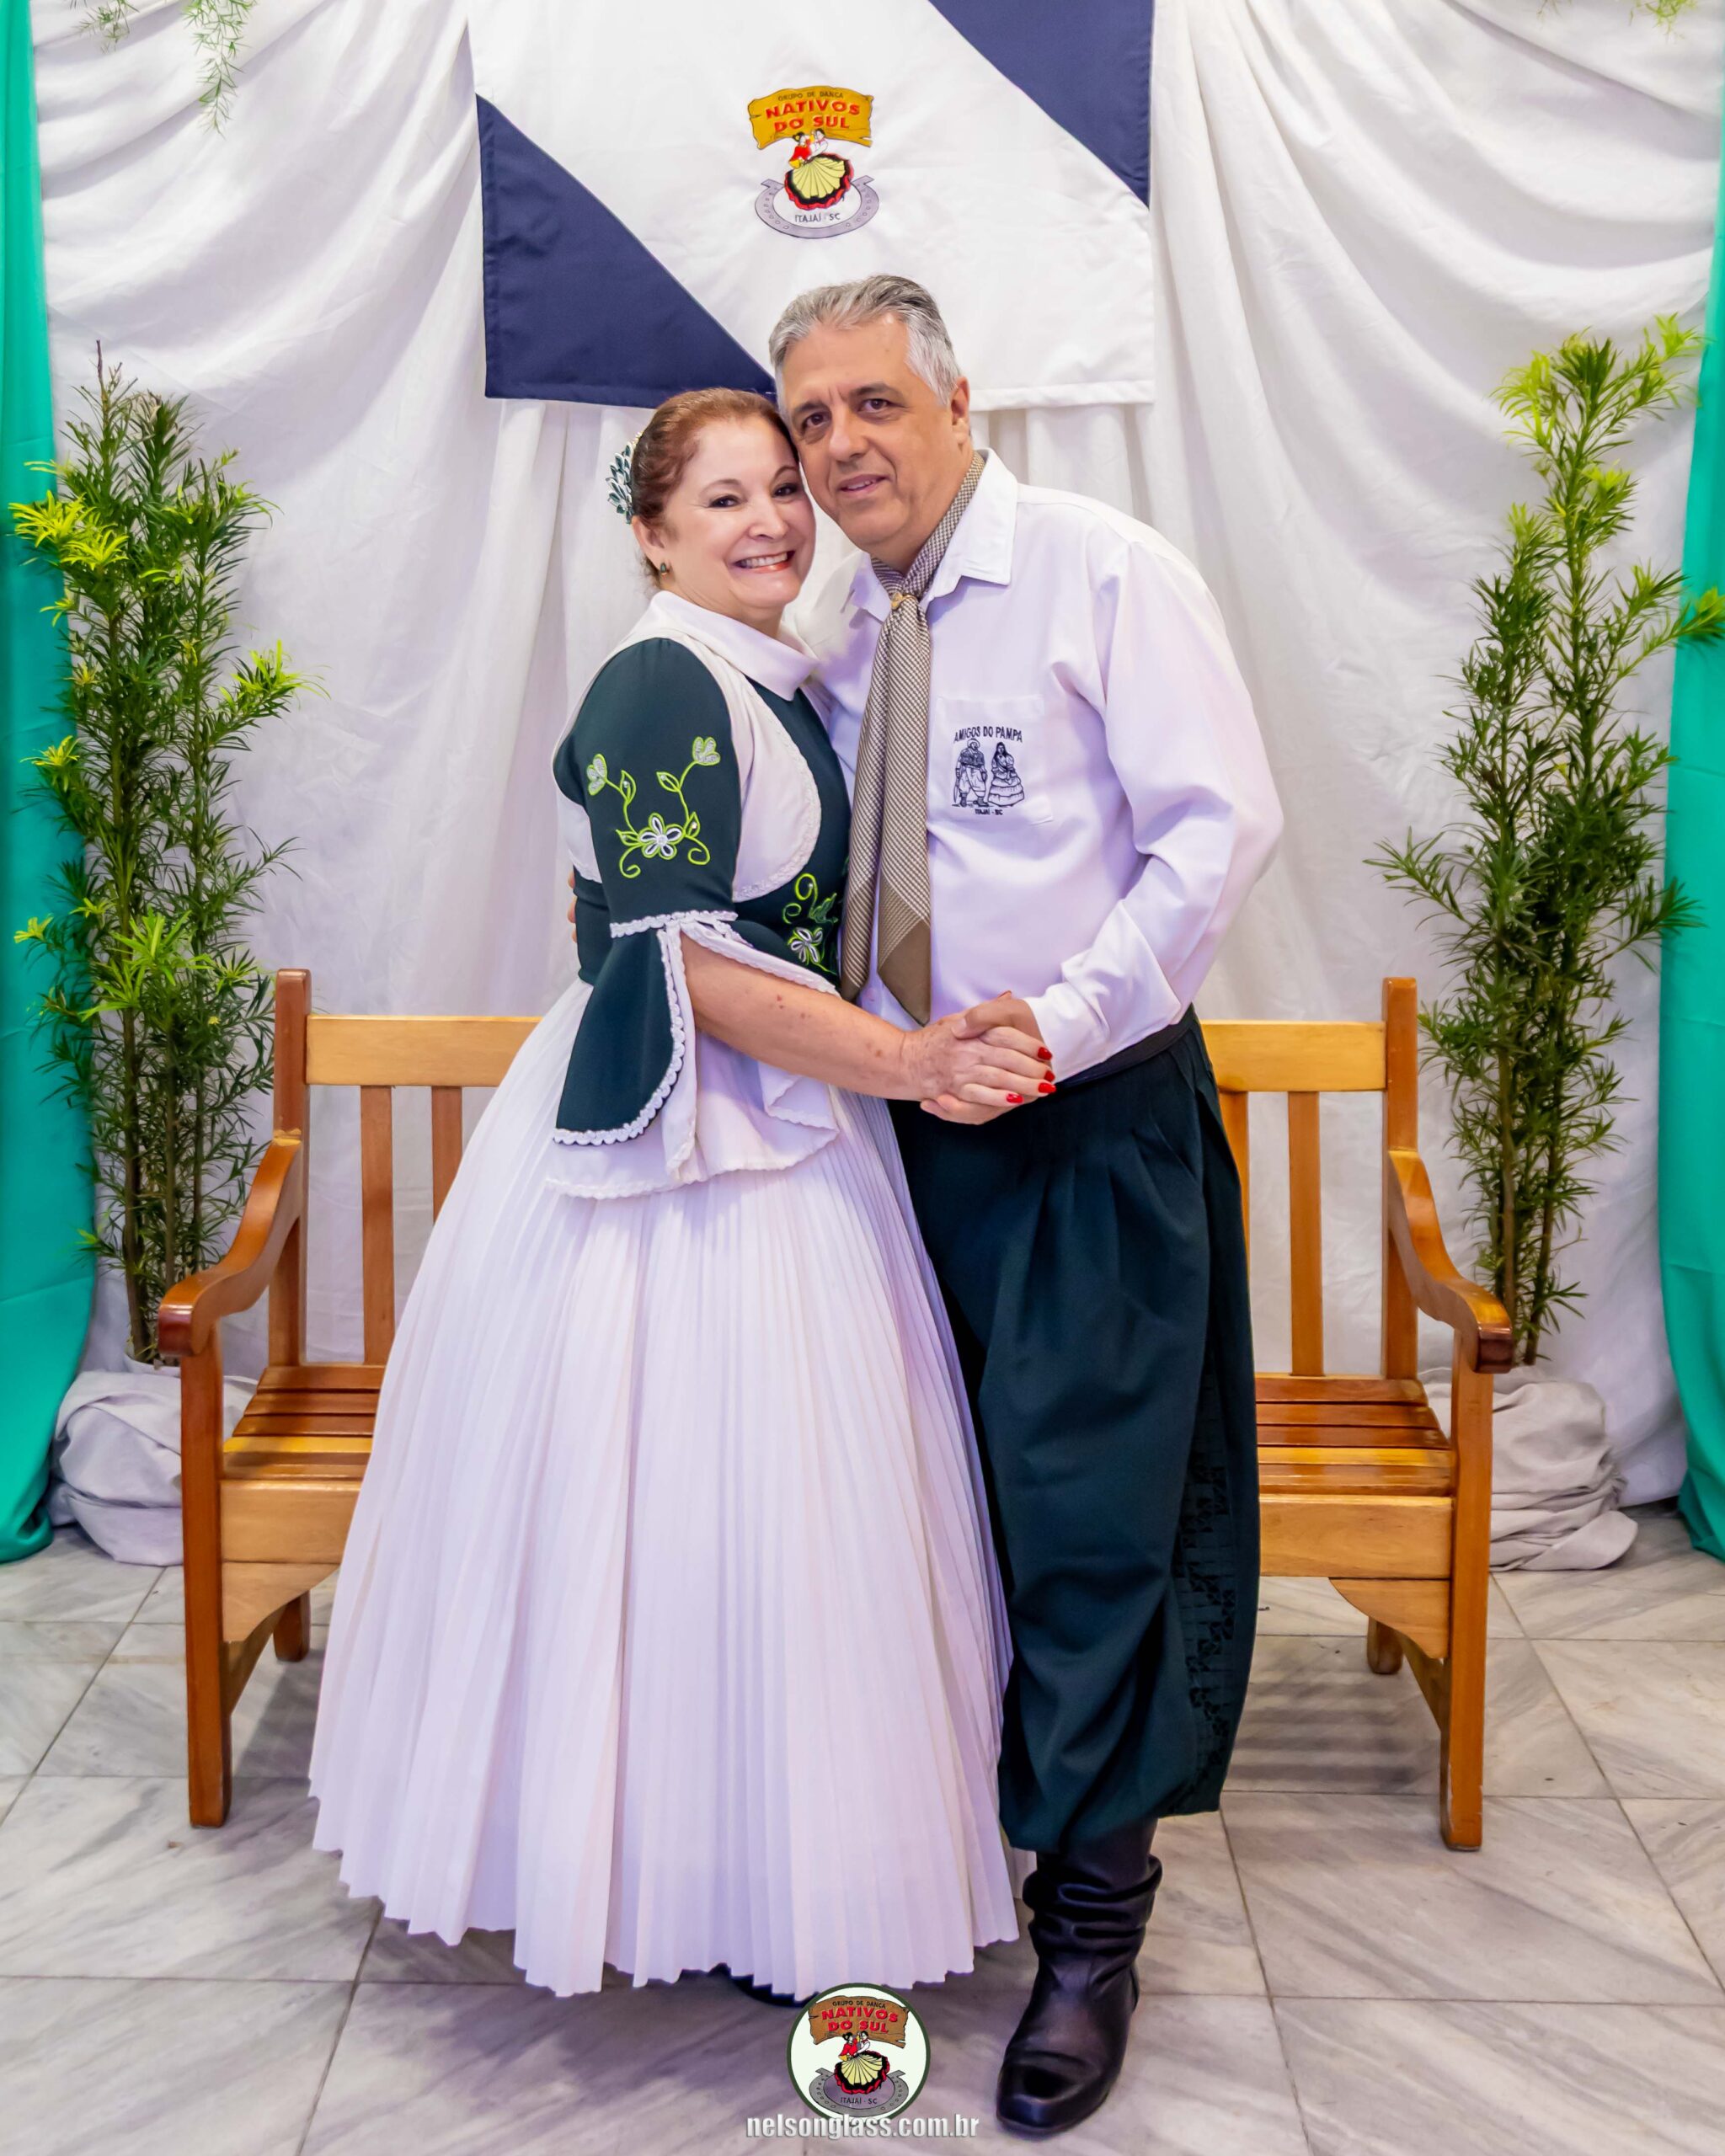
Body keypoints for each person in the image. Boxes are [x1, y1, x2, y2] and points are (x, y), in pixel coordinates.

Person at [308, 387, 1054, 2003]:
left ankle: (764, 1872)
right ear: (650, 536)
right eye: (723, 499)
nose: (771, 520)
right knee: (689, 1504)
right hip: (685, 1146)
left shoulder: (766, 673)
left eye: (782, 487)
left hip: (783, 1118)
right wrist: (909, 1065)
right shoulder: (662, 682)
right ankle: (666, 1870)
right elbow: (689, 968)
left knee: (771, 1513)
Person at [769, 275, 1283, 2137]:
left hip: (1084, 1130)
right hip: (902, 1134)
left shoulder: (1101, 572)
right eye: (811, 419)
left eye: (873, 403)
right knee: (920, 1515)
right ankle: (936, 1869)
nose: (842, 446)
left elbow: (1218, 829)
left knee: (1086, 1528)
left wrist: (1054, 1026)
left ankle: (1090, 1938)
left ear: (958, 400)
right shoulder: (834, 634)